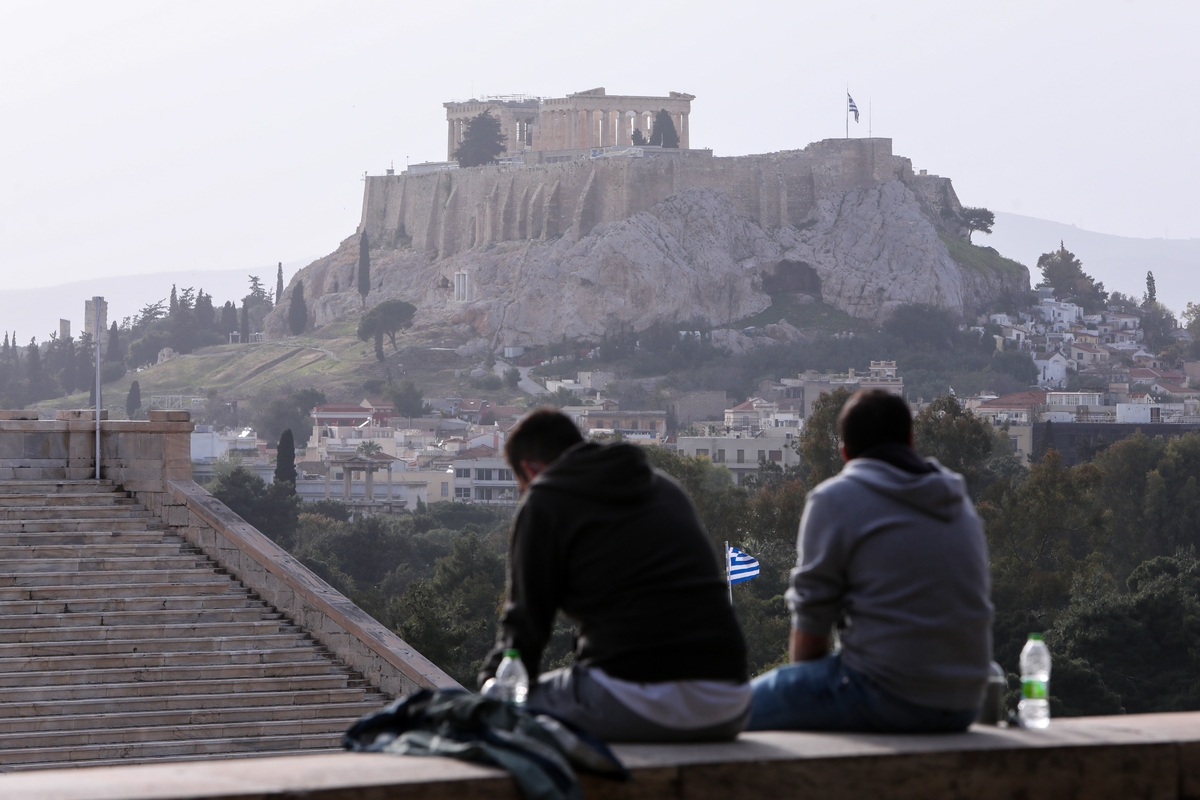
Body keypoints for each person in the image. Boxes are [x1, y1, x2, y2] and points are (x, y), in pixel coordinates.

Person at [479, 408, 750, 742]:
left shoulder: (545, 499)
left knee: (497, 715)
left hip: (634, 699)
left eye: (521, 485)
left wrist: (488, 690)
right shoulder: (663, 486)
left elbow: (524, 628)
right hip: (730, 699)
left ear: (529, 469)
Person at [748, 389, 993, 732]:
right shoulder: (957, 501)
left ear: (845, 452)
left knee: (728, 711)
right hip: (964, 701)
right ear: (910, 438)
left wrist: (806, 703)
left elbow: (812, 625)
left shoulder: (835, 500)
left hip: (883, 696)